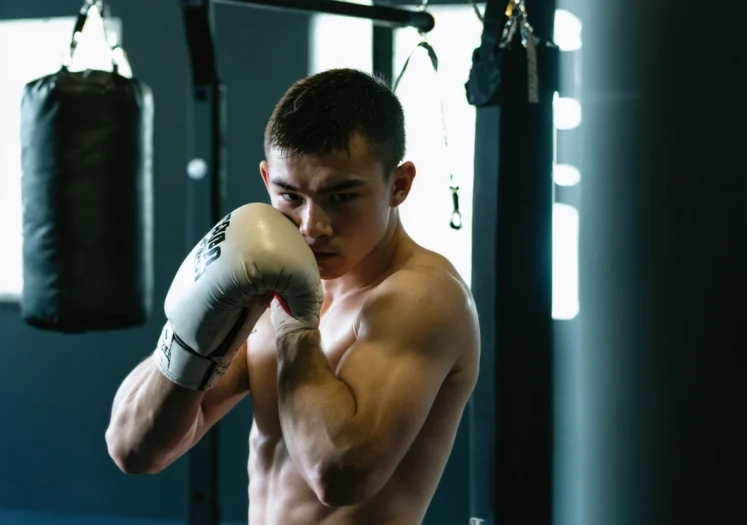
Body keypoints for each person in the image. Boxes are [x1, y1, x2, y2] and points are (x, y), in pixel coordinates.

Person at [105, 67, 480, 525]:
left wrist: (294, 324)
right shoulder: (259, 278)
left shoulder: (425, 296)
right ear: (267, 180)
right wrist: (188, 334)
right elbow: (133, 450)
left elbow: (339, 475)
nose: (310, 227)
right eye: (290, 196)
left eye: (341, 197)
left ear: (398, 185)